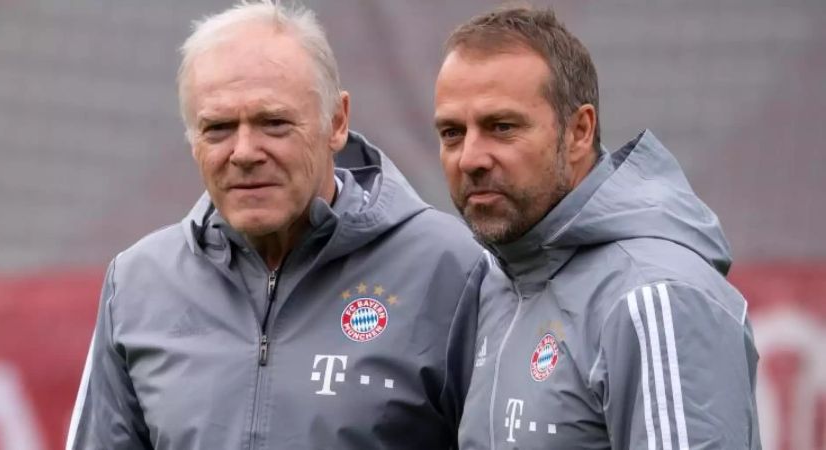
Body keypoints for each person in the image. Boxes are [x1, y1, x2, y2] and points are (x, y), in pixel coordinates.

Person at [66, 1, 489, 448]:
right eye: (218, 128)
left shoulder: (453, 269)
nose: (245, 151)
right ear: (192, 139)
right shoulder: (135, 285)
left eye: (273, 122)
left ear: (337, 122)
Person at [434, 5, 761, 449]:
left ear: (579, 132)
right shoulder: (497, 281)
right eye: (452, 132)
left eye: (502, 126)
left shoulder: (655, 296)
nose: (470, 157)